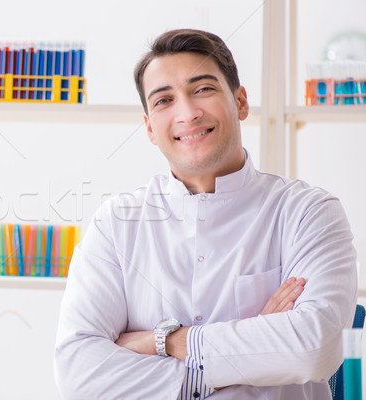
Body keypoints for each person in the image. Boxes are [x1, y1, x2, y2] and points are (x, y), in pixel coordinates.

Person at [54, 29, 357, 399]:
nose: (187, 113)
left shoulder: (308, 213)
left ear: (241, 102)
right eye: (164, 100)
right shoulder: (116, 224)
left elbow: (314, 348)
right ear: (150, 127)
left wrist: (165, 342)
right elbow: (77, 372)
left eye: (203, 89)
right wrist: (253, 348)